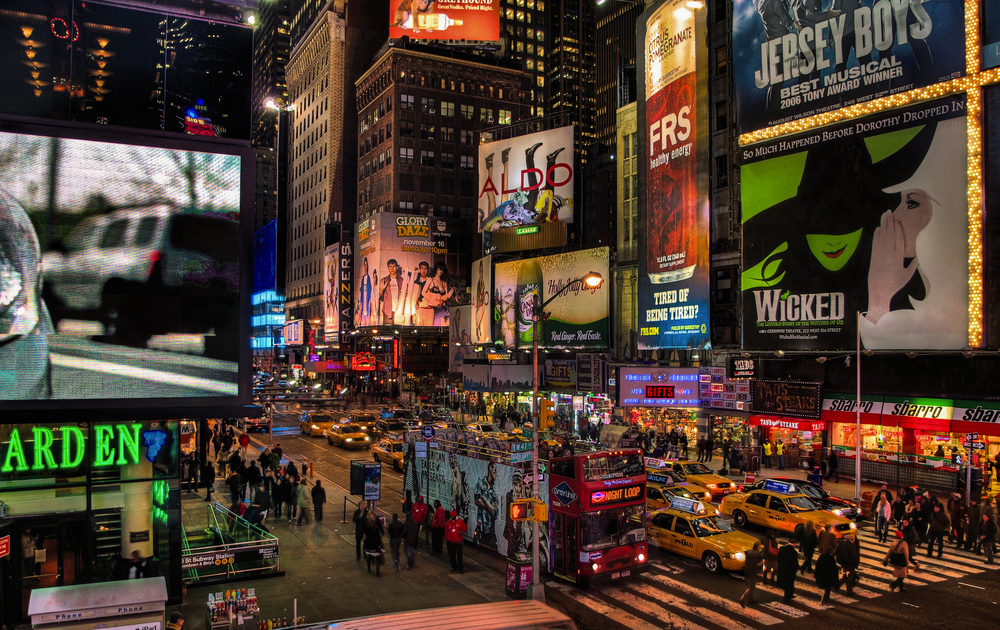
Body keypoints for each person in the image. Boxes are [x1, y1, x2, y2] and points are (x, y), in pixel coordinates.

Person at [740, 541, 762, 608]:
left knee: (748, 586)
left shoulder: (749, 551)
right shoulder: (757, 553)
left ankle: (750, 599)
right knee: (751, 587)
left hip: (746, 570)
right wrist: (762, 563)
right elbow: (758, 563)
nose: (761, 546)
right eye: (760, 545)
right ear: (758, 546)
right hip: (752, 572)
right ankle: (743, 599)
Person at [363, 511, 385, 576]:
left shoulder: (367, 528)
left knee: (369, 556)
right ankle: (377, 571)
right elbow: (378, 535)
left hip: (369, 544)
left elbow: (365, 532)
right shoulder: (376, 529)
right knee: (377, 558)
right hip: (376, 545)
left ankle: (369, 568)